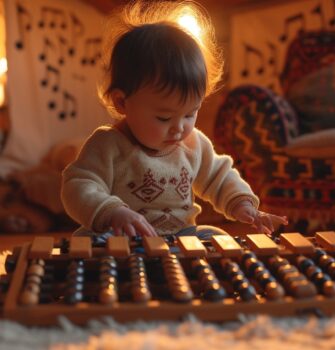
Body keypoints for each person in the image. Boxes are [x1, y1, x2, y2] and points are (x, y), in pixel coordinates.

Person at [61, 0, 288, 238]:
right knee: (85, 239)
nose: (179, 128)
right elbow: (79, 185)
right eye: (164, 117)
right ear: (122, 102)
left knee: (215, 235)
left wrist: (243, 205)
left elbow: (218, 177)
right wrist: (112, 212)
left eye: (190, 114)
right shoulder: (107, 145)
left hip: (180, 236)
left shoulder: (194, 144)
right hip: (121, 239)